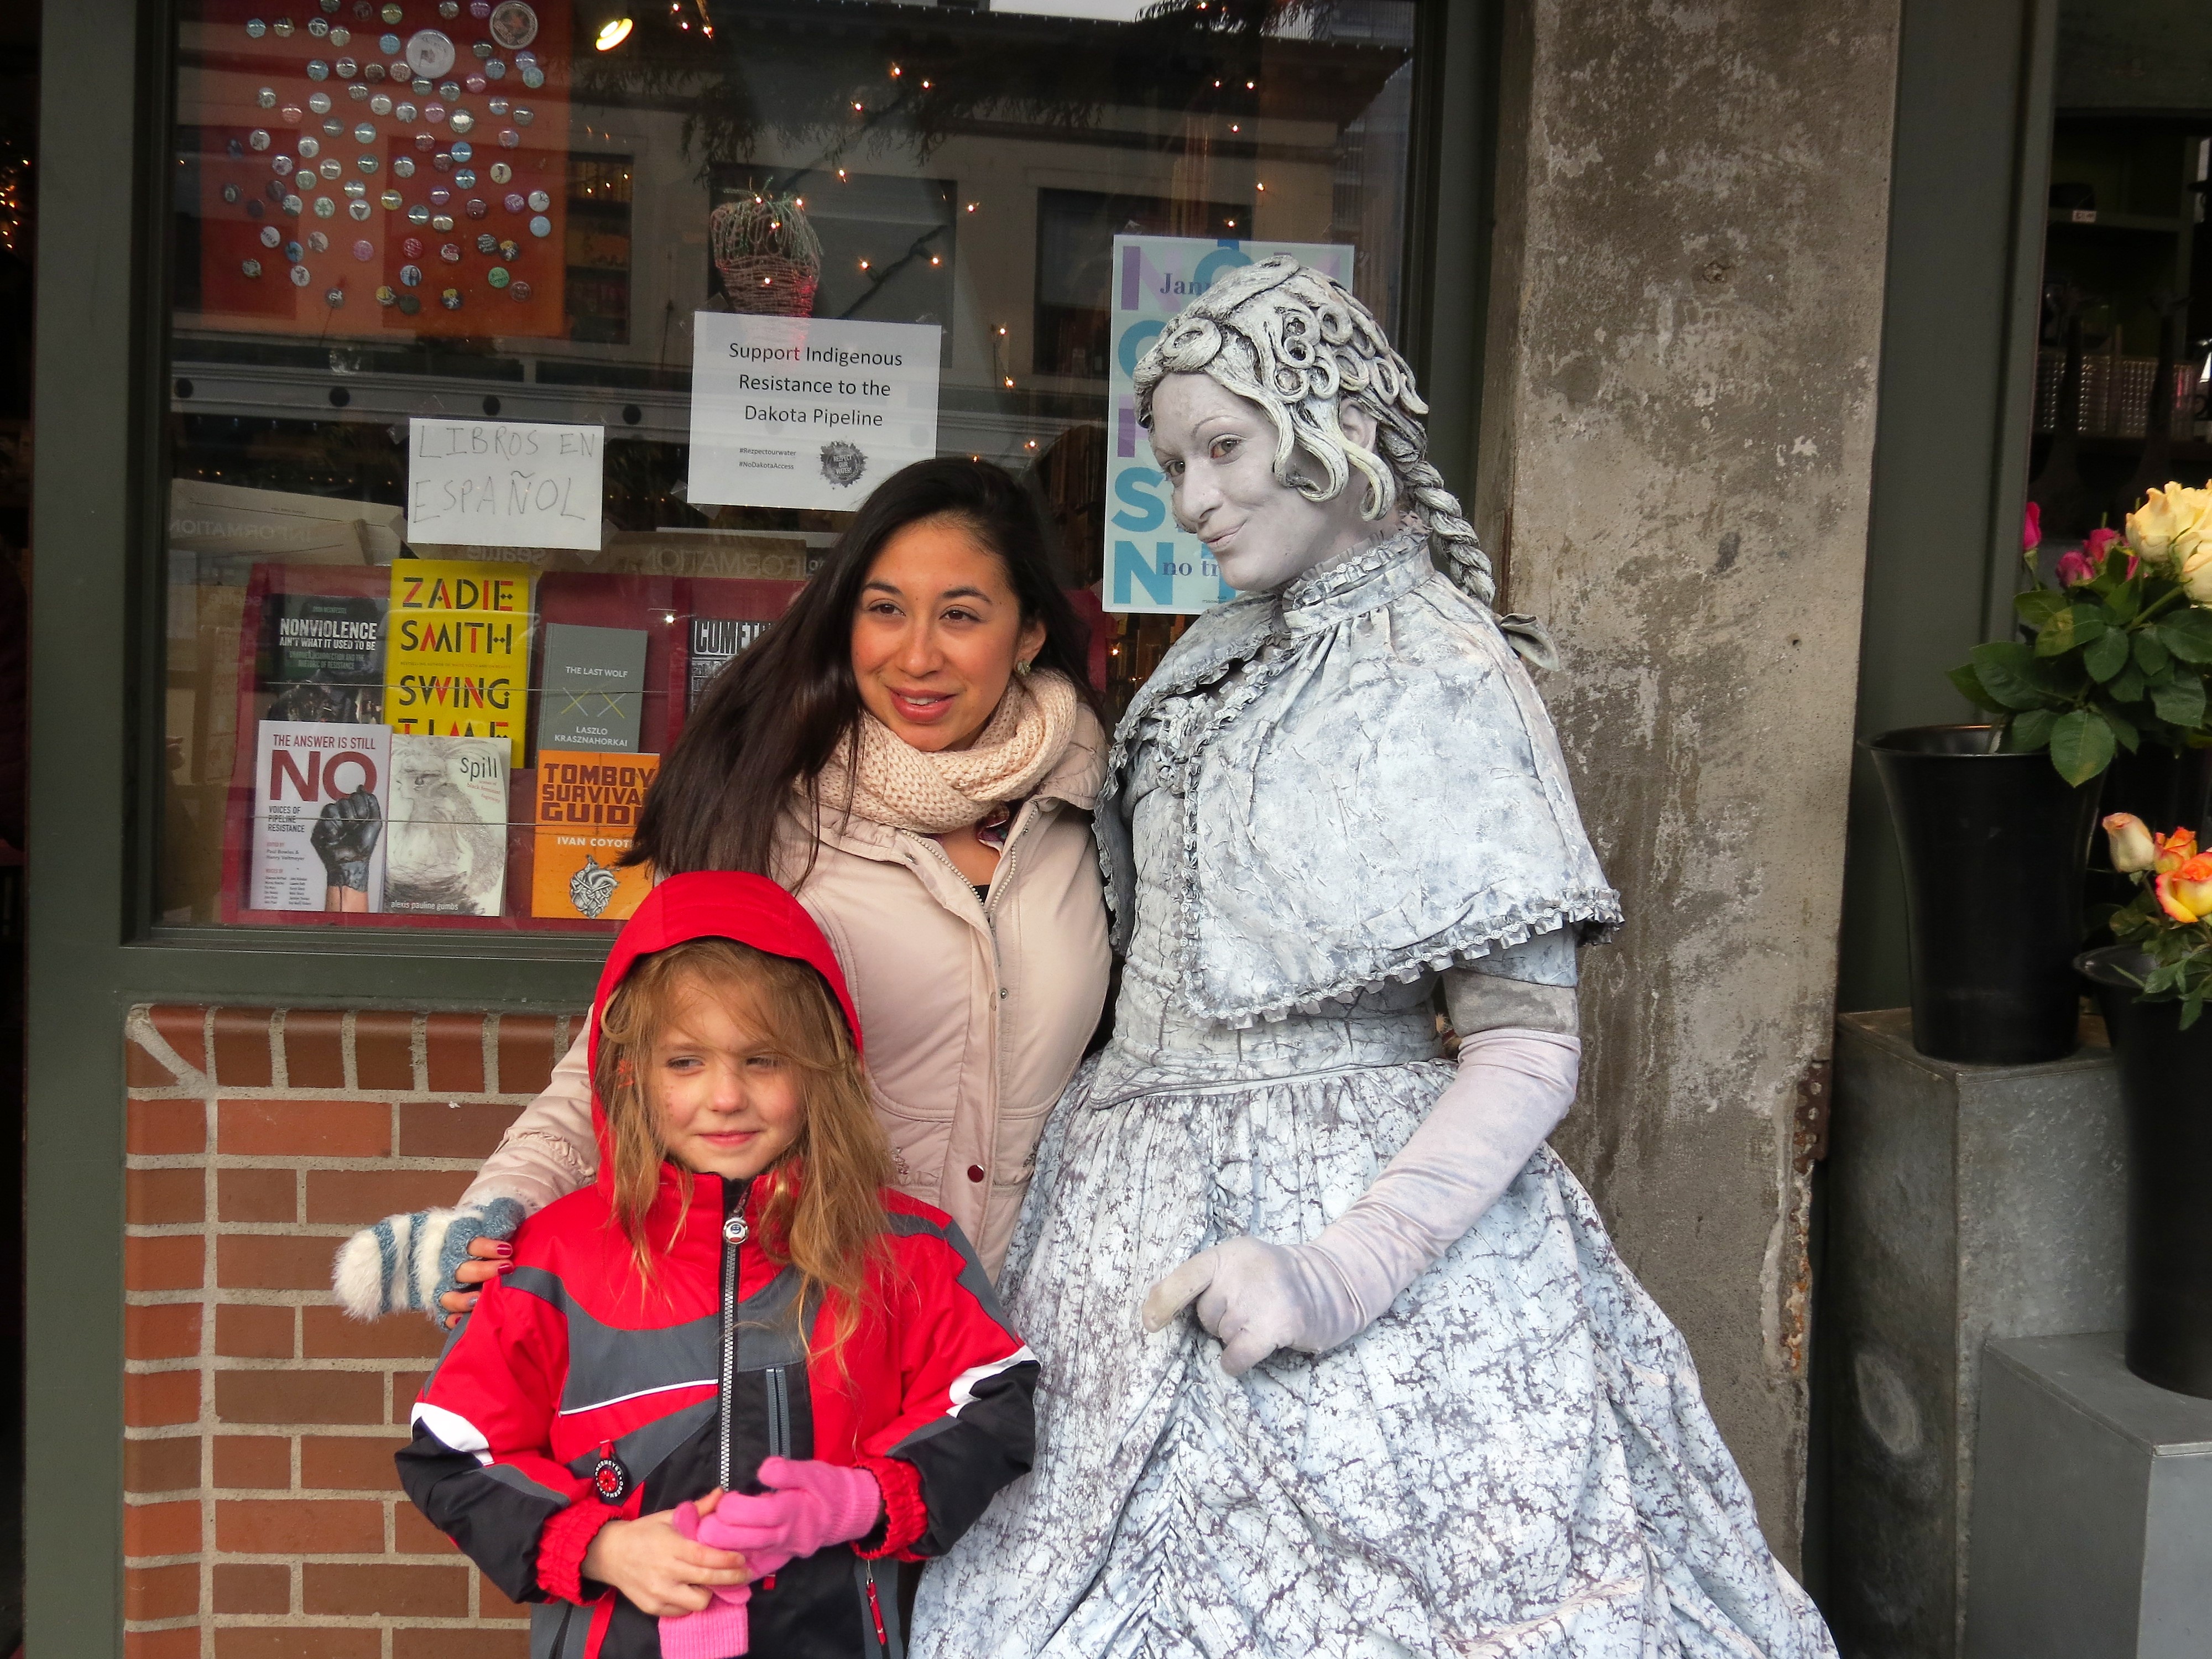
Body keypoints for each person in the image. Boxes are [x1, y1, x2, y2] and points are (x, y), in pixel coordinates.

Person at [910, 259, 1838, 1657]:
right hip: (1116, 1211)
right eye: (1174, 466)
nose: (1195, 497)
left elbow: (1525, 1045)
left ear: (1338, 426)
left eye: (1224, 448)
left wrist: (1339, 1271)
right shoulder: (1215, 656)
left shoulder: (1448, 667)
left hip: (1352, 1220)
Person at [335, 457, 1111, 1322]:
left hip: (1041, 1323)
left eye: (960, 615)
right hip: (817, 1323)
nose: (917, 654)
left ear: (1029, 633)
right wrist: (500, 1206)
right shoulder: (764, 814)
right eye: (885, 610)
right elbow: (622, 1060)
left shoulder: (1094, 807)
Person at [397, 870, 1037, 1659]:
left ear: (822, 1067)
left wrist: (864, 1499)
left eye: (763, 1060)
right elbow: (454, 1452)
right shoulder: (555, 1258)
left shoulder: (906, 1249)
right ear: (630, 1073)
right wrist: (598, 1547)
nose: (726, 1096)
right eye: (685, 1062)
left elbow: (992, 1405)